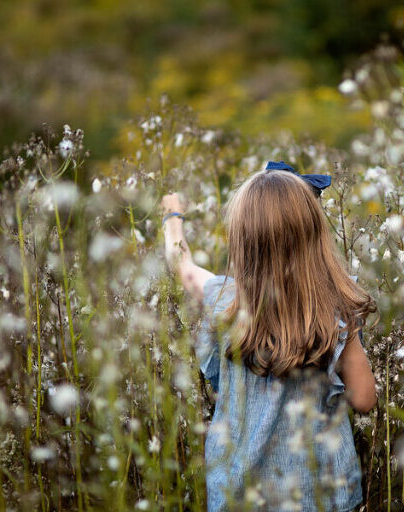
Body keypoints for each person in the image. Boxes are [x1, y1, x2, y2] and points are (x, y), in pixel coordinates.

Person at [161, 161, 378, 511]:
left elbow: (182, 268)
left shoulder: (225, 303)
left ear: (244, 244)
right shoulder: (335, 314)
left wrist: (172, 217)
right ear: (314, 239)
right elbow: (365, 399)